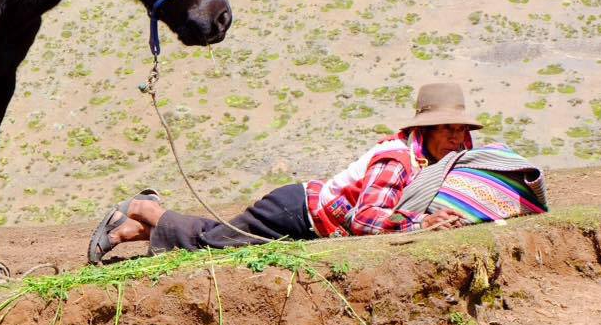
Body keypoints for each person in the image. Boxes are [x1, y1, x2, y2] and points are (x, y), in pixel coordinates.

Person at [87, 82, 488, 264]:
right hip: (295, 211)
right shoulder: (396, 161)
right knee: (212, 244)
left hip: (307, 217)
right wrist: (422, 225)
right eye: (448, 129)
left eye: (461, 130)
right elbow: (366, 221)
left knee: (222, 238)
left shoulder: (428, 162)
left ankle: (131, 229)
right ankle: (144, 208)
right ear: (427, 129)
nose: (457, 137)